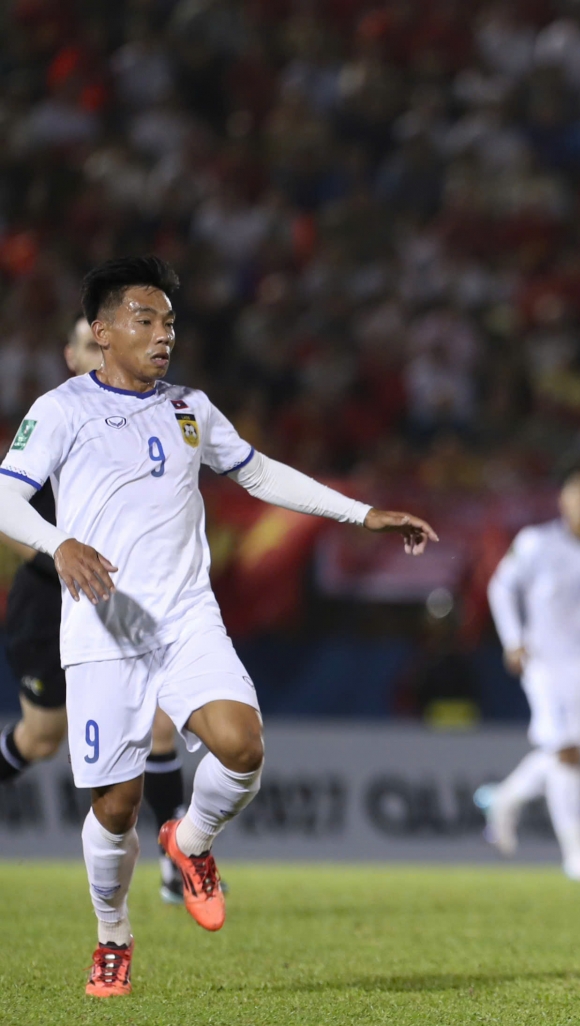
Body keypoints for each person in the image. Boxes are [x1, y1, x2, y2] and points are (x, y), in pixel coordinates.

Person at [0, 256, 437, 998]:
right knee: (115, 807)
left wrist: (362, 513)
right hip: (104, 626)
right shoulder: (62, 408)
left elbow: (258, 472)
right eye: (145, 320)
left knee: (242, 746)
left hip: (184, 617)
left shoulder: (190, 407)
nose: (163, 335)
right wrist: (58, 543)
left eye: (170, 323)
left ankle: (192, 840)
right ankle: (112, 935)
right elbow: (6, 497)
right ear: (102, 331)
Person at [0, 318, 192, 905]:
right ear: (71, 355)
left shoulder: (145, 417)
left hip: (116, 601)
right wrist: (62, 552)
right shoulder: (53, 418)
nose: (101, 353)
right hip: (47, 601)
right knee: (41, 738)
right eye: (90, 344)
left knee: (160, 723)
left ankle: (177, 862)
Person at [477, 461, 580, 881]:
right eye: (577, 494)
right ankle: (577, 853)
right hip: (543, 659)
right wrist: (513, 639)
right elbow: (501, 586)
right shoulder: (536, 543)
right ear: (563, 500)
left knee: (570, 751)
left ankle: (504, 799)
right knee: (566, 750)